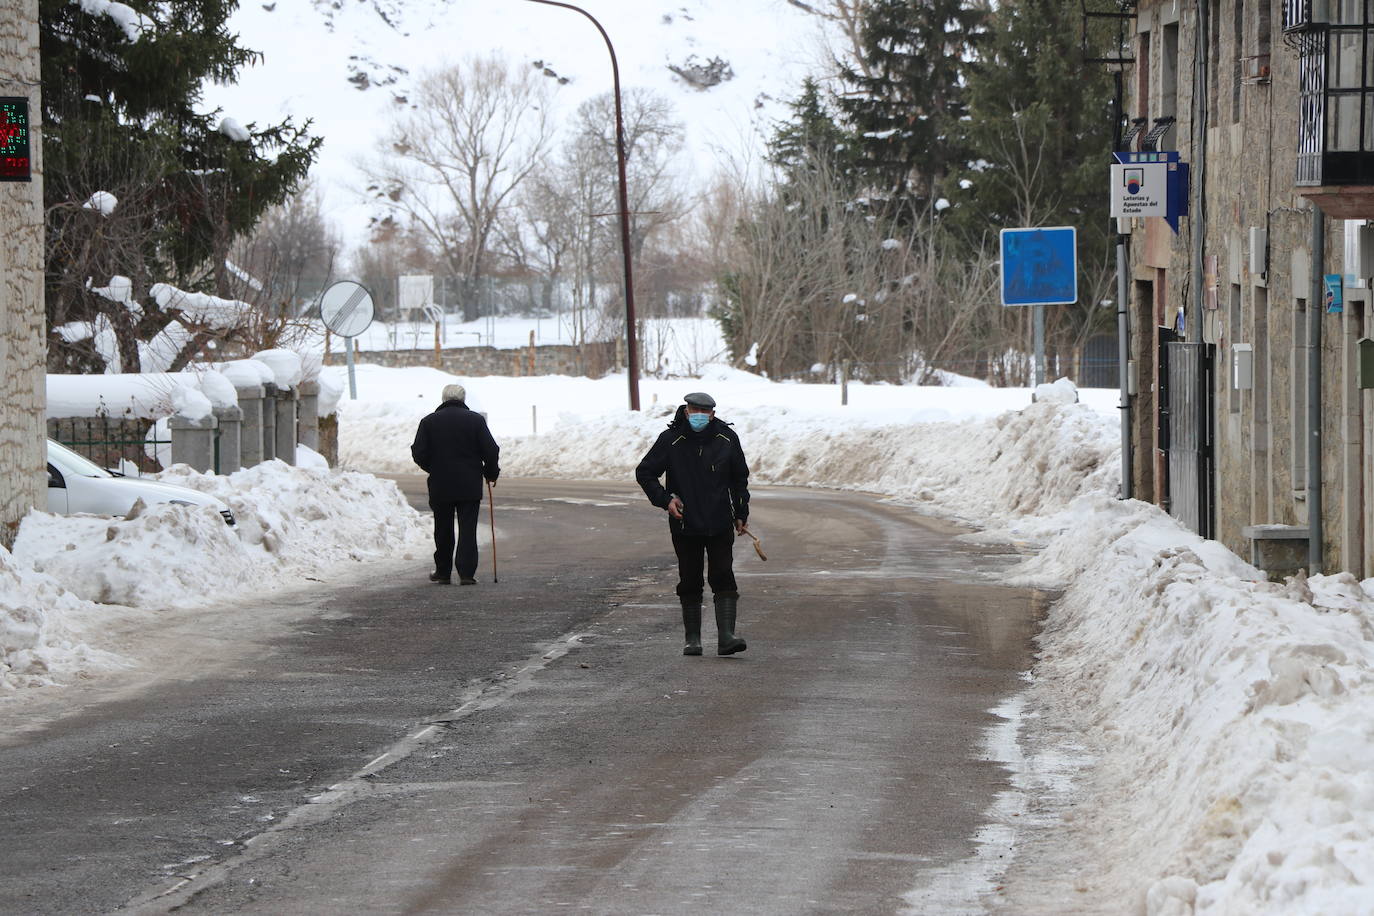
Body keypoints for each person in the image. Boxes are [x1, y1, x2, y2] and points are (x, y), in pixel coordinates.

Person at [635, 391, 751, 656]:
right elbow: (645, 472)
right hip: (685, 523)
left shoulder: (726, 439)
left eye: (705, 412)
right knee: (690, 578)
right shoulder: (670, 440)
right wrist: (665, 500)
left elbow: (739, 479)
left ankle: (727, 638)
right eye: (694, 411)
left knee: (723, 575)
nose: (699, 416)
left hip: (720, 520)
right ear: (686, 412)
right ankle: (693, 639)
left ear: (712, 413)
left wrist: (741, 512)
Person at [410, 384, 500, 585]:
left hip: (440, 484)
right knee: (468, 528)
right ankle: (466, 573)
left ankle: (443, 572)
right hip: (469, 484)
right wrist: (490, 473)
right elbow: (491, 450)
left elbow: (418, 452)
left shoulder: (429, 422)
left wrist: (433, 468)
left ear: (443, 399)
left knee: (443, 528)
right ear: (463, 399)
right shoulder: (476, 421)